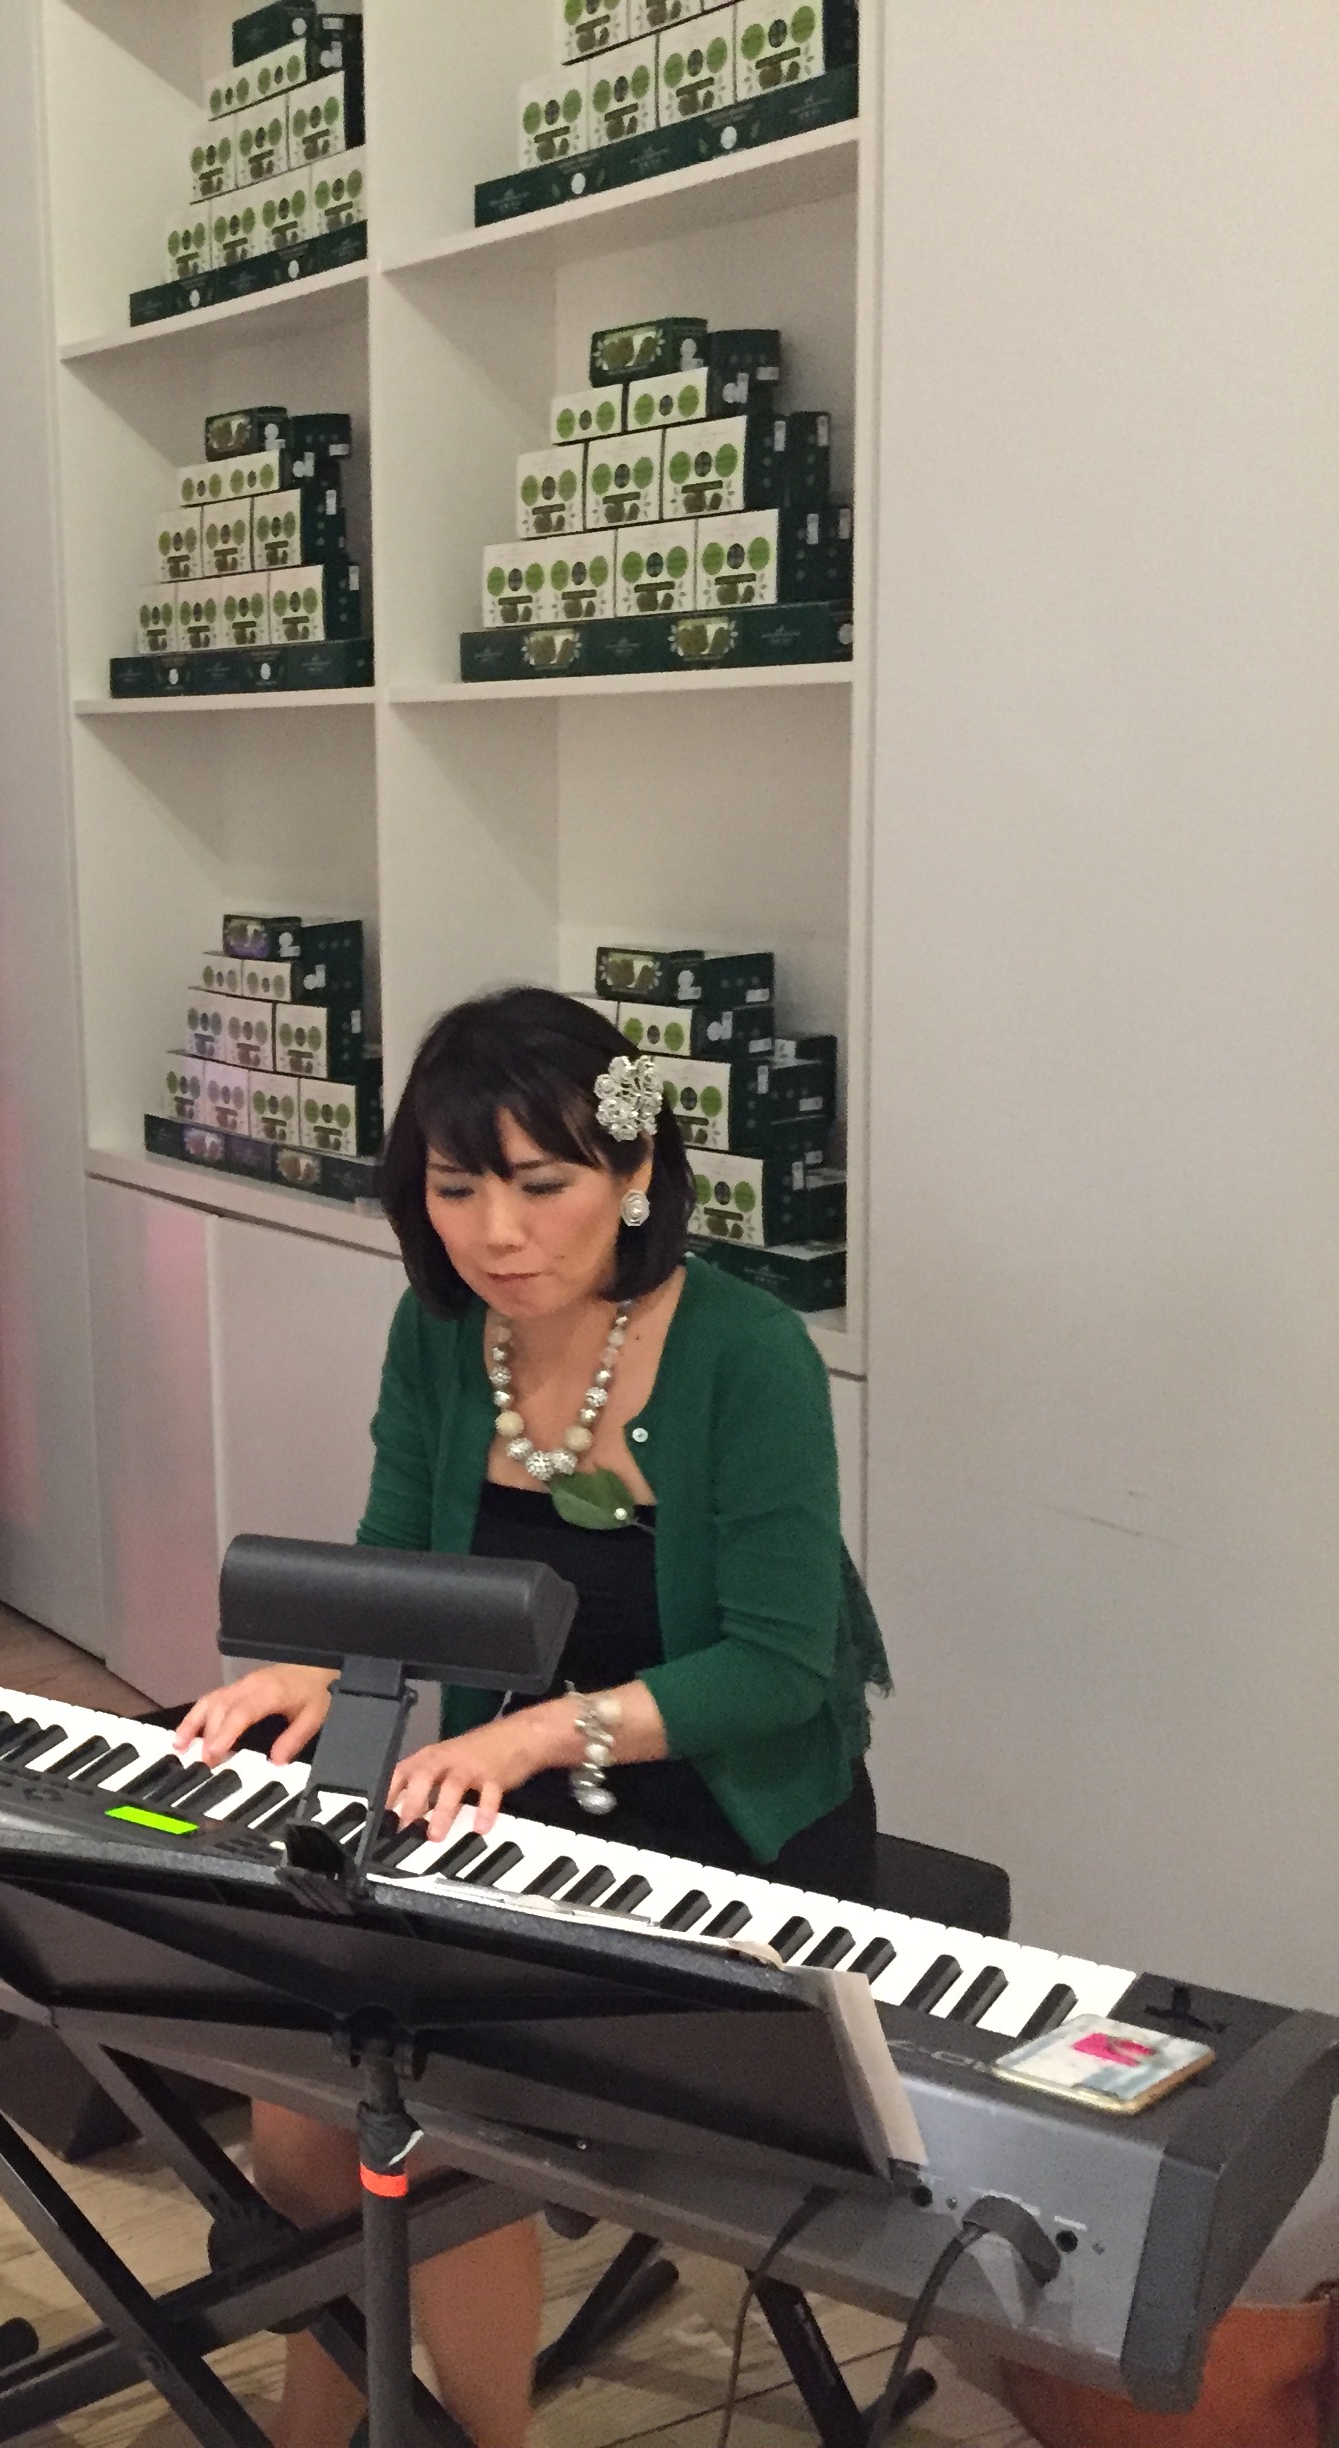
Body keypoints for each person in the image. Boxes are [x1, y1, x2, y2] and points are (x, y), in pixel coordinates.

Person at [171, 985, 889, 2448]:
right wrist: (318, 1669)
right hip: (518, 1809)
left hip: (731, 1834)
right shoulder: (444, 1334)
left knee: (431, 2111)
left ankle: (482, 2437)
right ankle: (331, 2421)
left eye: (542, 1184)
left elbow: (779, 1668)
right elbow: (400, 1561)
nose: (496, 1233)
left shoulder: (748, 1353)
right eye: (457, 1187)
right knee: (301, 2106)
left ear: (635, 1175)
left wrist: (532, 1735)